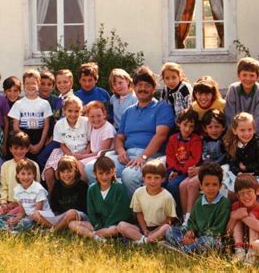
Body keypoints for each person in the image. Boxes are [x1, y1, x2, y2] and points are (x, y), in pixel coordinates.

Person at [84, 66, 175, 196]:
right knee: (90, 168)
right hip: (127, 156)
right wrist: (120, 152)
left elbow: (160, 136)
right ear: (134, 87)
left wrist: (143, 156)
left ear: (154, 88)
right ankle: (108, 205)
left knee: (129, 175)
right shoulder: (129, 111)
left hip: (151, 157)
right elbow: (120, 137)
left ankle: (133, 213)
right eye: (139, 85)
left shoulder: (162, 108)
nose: (143, 89)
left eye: (147, 85)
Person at [165, 162, 231, 253]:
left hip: (212, 239)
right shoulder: (199, 201)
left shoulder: (224, 203)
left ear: (220, 186)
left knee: (208, 241)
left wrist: (196, 240)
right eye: (207, 184)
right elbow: (192, 221)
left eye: (214, 185)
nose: (210, 188)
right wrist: (190, 231)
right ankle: (188, 248)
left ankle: (182, 250)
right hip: (196, 237)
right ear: (201, 186)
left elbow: (218, 230)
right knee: (170, 231)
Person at [179, 109, 227, 225]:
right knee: (182, 185)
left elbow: (223, 160)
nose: (214, 130)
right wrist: (194, 168)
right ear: (205, 129)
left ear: (223, 127)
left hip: (217, 170)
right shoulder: (203, 140)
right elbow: (199, 158)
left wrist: (201, 169)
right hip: (203, 169)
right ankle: (185, 217)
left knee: (192, 184)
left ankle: (190, 219)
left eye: (217, 126)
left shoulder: (224, 142)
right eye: (210, 127)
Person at [68, 156, 132, 241]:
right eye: (101, 173)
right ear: (95, 173)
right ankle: (96, 237)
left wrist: (106, 226)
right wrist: (97, 225)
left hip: (113, 225)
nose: (104, 177)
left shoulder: (119, 189)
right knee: (72, 224)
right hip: (97, 224)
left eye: (108, 173)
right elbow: (91, 211)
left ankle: (93, 235)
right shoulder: (92, 189)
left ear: (113, 172)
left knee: (115, 229)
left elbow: (120, 213)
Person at [117, 160, 176, 244]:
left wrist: (155, 231)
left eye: (156, 178)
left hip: (159, 228)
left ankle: (139, 241)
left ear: (163, 179)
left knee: (166, 228)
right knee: (121, 225)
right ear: (143, 178)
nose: (152, 181)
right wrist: (145, 230)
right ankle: (145, 240)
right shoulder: (138, 192)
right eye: (149, 177)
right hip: (143, 227)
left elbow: (170, 218)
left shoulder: (167, 196)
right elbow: (139, 213)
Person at [0, 159, 52, 233]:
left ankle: (11, 230)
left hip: (39, 217)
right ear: (18, 175)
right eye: (23, 174)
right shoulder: (17, 190)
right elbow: (22, 212)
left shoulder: (39, 189)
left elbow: (37, 212)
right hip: (26, 215)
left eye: (29, 174)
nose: (26, 177)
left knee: (24, 223)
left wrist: (20, 220)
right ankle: (9, 229)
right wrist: (16, 219)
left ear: (34, 175)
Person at [43, 96, 90, 190]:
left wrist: (84, 154)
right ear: (64, 111)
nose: (73, 114)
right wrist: (70, 155)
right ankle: (54, 198)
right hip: (65, 151)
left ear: (81, 111)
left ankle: (80, 196)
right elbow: (62, 144)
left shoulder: (86, 122)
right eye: (70, 111)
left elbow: (90, 142)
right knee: (49, 173)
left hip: (84, 152)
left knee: (79, 171)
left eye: (76, 111)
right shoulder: (59, 124)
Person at [7, 69, 52, 163]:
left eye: (33, 83)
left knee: (38, 164)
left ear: (39, 84)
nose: (30, 86)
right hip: (23, 137)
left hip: (39, 137)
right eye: (27, 83)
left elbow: (46, 125)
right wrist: (27, 144)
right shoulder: (18, 104)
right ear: (23, 85)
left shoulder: (44, 103)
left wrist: (40, 144)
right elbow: (15, 126)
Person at [222, 112, 259, 197]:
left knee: (247, 187)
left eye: (250, 129)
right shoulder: (234, 143)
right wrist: (239, 173)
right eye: (242, 130)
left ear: (254, 129)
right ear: (235, 130)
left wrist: (247, 168)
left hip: (256, 175)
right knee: (231, 187)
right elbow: (232, 162)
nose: (247, 134)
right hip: (239, 175)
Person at [33, 156, 89, 231]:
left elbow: (85, 208)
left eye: (69, 171)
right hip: (61, 216)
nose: (66, 175)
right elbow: (54, 205)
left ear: (75, 171)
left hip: (77, 216)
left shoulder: (82, 185)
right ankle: (56, 227)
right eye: (63, 172)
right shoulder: (57, 185)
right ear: (59, 173)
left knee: (71, 213)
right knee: (36, 214)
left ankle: (55, 230)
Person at [226, 174, 259, 264]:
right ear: (237, 195)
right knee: (237, 216)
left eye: (249, 192)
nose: (246, 196)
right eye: (242, 193)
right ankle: (239, 251)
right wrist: (233, 217)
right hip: (242, 242)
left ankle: (252, 254)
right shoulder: (236, 205)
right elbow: (228, 231)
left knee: (252, 216)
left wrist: (244, 217)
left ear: (257, 191)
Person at [0, 132, 41, 215]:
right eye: (15, 148)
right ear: (10, 149)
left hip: (27, 204)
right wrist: (3, 202)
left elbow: (36, 188)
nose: (19, 151)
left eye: (22, 148)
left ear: (27, 149)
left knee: (14, 217)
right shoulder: (5, 165)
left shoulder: (33, 165)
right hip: (9, 203)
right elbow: (3, 186)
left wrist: (18, 203)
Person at [164, 109, 202, 208]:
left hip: (186, 172)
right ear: (178, 123)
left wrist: (179, 172)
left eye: (191, 126)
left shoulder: (195, 140)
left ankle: (177, 211)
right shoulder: (173, 138)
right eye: (185, 125)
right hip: (173, 169)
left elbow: (194, 159)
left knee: (172, 186)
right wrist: (173, 170)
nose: (187, 129)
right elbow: (170, 156)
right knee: (161, 181)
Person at [225, 57, 259, 135]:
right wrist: (235, 134)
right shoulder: (233, 89)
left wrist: (252, 137)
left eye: (252, 75)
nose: (248, 78)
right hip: (235, 134)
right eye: (244, 75)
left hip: (254, 134)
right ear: (239, 75)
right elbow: (230, 116)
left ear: (257, 77)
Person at [37, 70, 63, 171]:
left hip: (53, 136)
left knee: (43, 158)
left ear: (53, 86)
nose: (45, 87)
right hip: (37, 134)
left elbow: (57, 120)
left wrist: (52, 136)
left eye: (49, 84)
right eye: (42, 84)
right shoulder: (34, 99)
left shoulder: (57, 101)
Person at [79, 101, 116, 166]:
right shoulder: (92, 126)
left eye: (99, 116)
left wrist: (83, 157)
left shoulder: (108, 129)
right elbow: (91, 143)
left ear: (104, 114)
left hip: (104, 157)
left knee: (79, 164)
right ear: (87, 116)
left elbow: (102, 151)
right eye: (92, 116)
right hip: (94, 155)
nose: (96, 119)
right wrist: (83, 154)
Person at [2, 75, 21, 156]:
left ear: (20, 91)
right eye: (9, 91)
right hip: (5, 139)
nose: (12, 94)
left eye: (15, 91)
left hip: (20, 139)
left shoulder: (22, 104)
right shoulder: (2, 104)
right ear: (5, 92)